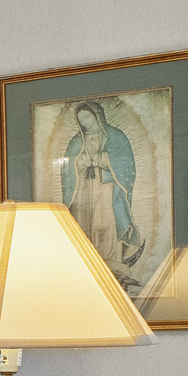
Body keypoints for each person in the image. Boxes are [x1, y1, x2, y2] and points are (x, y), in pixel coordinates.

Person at [59, 99, 145, 276]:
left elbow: (126, 165)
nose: (85, 123)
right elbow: (67, 168)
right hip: (83, 191)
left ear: (97, 116)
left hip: (107, 189)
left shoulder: (116, 137)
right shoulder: (76, 141)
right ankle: (87, 261)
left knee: (105, 224)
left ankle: (110, 261)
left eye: (87, 118)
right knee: (84, 224)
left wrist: (103, 160)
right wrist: (80, 162)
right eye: (81, 120)